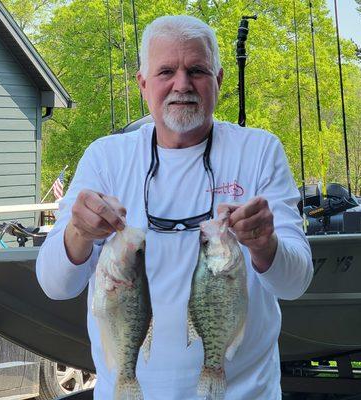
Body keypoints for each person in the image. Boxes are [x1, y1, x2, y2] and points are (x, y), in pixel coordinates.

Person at [36, 15, 313, 400]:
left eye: (196, 70)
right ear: (143, 84)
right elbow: (55, 285)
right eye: (166, 70)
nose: (182, 84)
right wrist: (78, 233)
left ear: (217, 81)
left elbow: (295, 283)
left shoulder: (259, 151)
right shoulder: (106, 158)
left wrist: (266, 245)